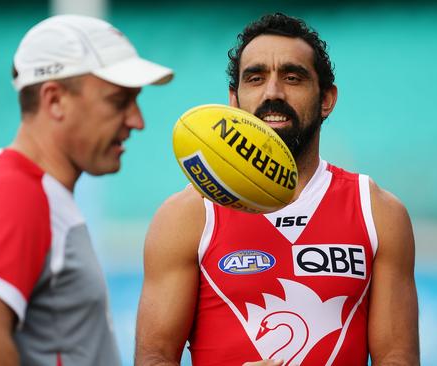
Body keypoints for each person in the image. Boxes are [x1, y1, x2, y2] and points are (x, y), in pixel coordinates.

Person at [135, 13, 419, 366]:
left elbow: (398, 358)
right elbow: (154, 358)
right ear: (234, 100)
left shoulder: (378, 212)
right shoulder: (187, 215)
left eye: (293, 77)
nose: (273, 93)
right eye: (255, 78)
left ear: (327, 99)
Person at [0, 14, 173, 366]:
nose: (137, 120)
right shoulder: (13, 191)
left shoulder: (29, 191)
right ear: (54, 99)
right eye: (119, 101)